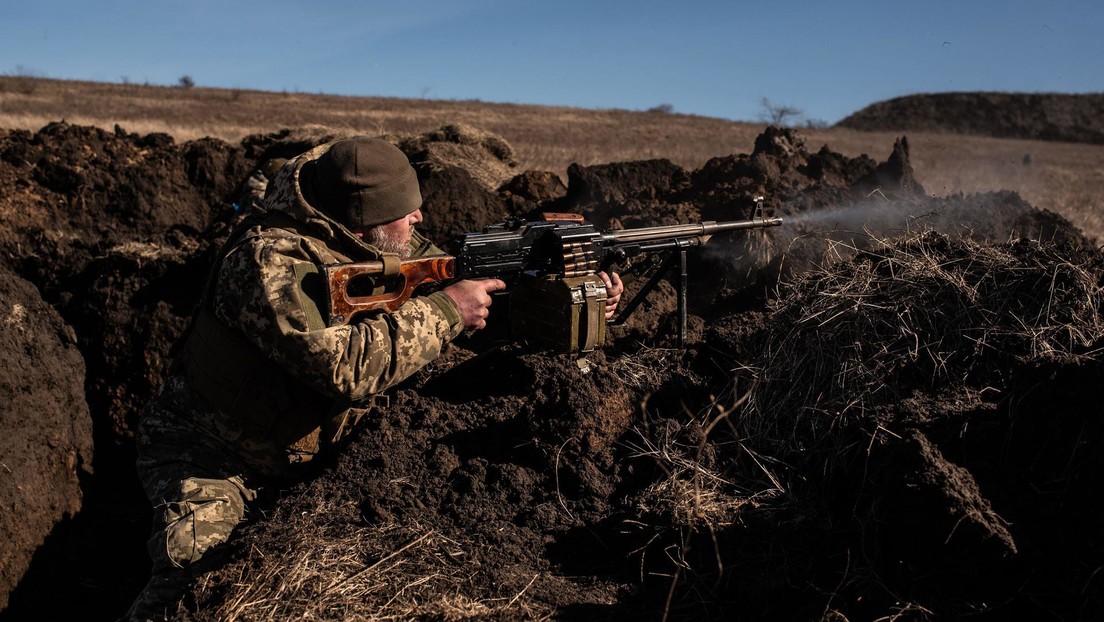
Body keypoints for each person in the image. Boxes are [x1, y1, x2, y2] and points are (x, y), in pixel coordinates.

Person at [125, 136, 623, 620]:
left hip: (310, 449)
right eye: (405, 211)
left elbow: (472, 302)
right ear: (365, 221)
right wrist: (448, 311)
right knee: (193, 588)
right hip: (214, 456)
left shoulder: (376, 238)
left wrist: (573, 297)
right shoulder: (268, 263)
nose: (419, 217)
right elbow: (343, 368)